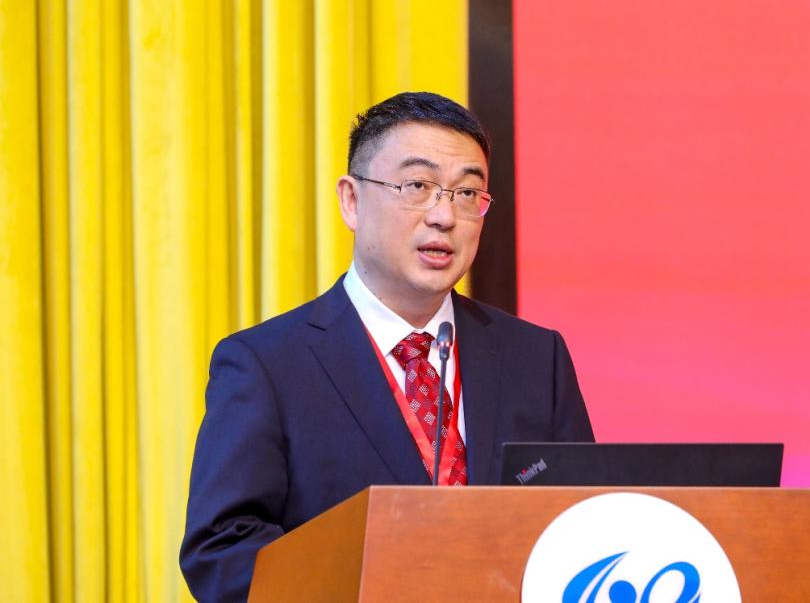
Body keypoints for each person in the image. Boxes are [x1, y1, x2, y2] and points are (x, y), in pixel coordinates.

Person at [179, 91, 594, 601]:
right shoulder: (267, 365)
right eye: (417, 186)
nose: (444, 216)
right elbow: (221, 551)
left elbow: (585, 523)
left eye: (467, 193)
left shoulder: (536, 357)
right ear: (351, 200)